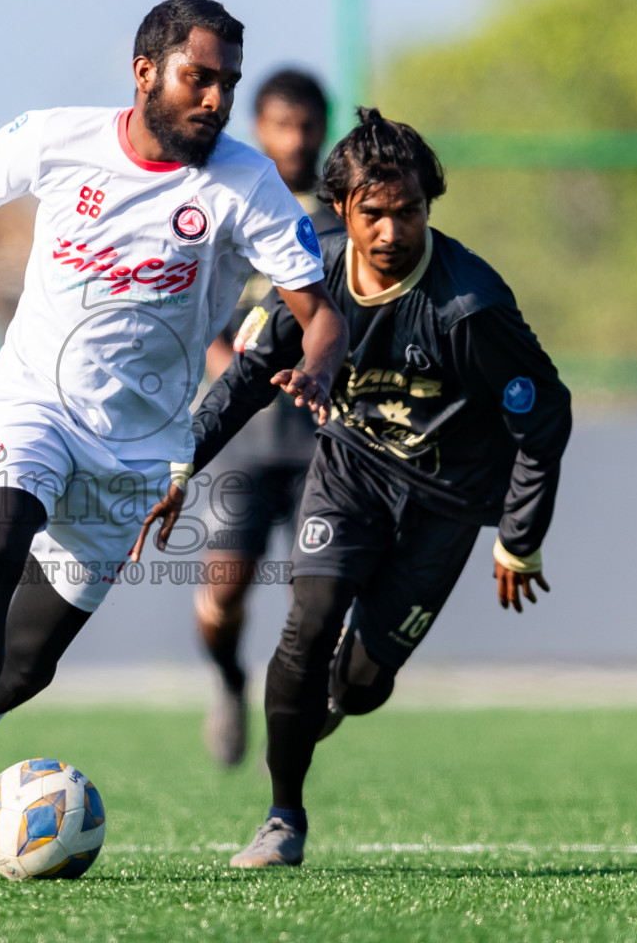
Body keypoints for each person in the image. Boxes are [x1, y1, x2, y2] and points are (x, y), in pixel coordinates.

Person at [0, 0, 349, 868]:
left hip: (136, 452)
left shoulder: (244, 185)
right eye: (198, 78)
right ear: (145, 73)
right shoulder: (56, 140)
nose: (215, 99)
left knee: (24, 665)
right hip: (31, 407)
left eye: (227, 84)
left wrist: (319, 363)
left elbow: (315, 311)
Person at [133, 108, 572, 868]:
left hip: (447, 500)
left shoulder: (468, 308)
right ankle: (283, 818)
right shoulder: (313, 273)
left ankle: (330, 697)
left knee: (363, 685)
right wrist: (181, 469)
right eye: (374, 212)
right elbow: (243, 380)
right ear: (342, 209)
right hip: (351, 470)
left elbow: (547, 414)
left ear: (428, 208)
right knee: (306, 625)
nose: (392, 231)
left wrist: (519, 538)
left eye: (409, 212)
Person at [195, 69, 342, 766]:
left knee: (317, 599)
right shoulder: (235, 203)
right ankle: (228, 680)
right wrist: (247, 377)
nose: (296, 138)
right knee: (222, 598)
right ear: (259, 127)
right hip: (246, 446)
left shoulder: (342, 215)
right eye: (282, 125)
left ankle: (306, 709)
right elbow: (205, 321)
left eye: (307, 125)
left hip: (324, 441)